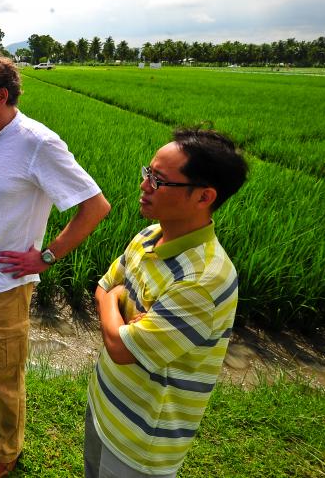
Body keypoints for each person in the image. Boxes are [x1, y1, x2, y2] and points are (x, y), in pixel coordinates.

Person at [0, 54, 111, 478]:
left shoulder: (39, 143)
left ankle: (7, 448)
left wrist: (46, 255)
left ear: (1, 95)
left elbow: (95, 207)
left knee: (7, 370)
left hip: (6, 283)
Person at [85, 128, 248, 478]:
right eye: (148, 173)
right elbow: (102, 288)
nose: (145, 185)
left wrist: (114, 305)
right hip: (105, 404)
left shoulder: (204, 280)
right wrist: (120, 310)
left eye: (159, 180)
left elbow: (119, 347)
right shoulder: (149, 236)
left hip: (142, 442)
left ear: (204, 197)